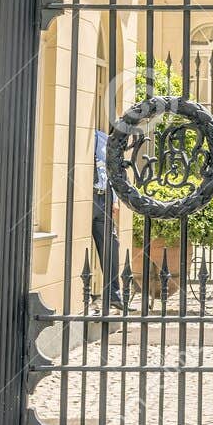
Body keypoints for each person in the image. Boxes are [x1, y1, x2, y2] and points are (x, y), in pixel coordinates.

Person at [92, 129, 122, 310]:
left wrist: (115, 200)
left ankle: (114, 295)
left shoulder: (104, 139)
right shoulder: (81, 137)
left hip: (104, 198)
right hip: (87, 197)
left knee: (112, 244)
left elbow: (112, 171)